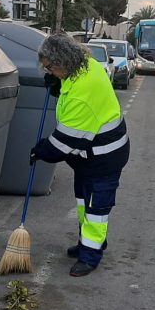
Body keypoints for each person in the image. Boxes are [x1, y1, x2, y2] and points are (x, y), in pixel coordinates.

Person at [31, 33, 130, 277]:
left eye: (51, 68)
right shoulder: (87, 66)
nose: (50, 72)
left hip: (103, 158)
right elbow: (68, 90)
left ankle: (90, 255)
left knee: (97, 208)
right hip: (88, 156)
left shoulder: (81, 94)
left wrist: (40, 150)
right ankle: (88, 242)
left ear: (63, 61)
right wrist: (58, 86)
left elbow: (61, 145)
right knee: (83, 202)